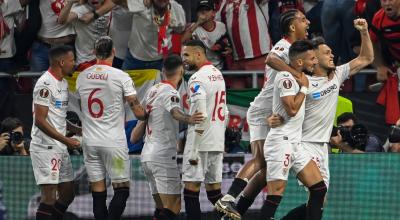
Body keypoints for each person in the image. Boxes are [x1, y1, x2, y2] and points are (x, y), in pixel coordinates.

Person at [215, 9, 310, 219]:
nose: (308, 22)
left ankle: (234, 211)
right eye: (303, 20)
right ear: (292, 27)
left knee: (266, 170)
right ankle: (227, 199)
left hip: (270, 114)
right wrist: (296, 74)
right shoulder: (283, 45)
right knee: (259, 160)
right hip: (260, 112)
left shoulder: (295, 51)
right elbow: (270, 59)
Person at [279, 18, 374, 219]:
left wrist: (364, 31)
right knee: (318, 193)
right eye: (327, 53)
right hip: (303, 144)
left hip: (322, 146)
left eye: (331, 52)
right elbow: (287, 106)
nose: (332, 55)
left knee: (321, 200)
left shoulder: (337, 74)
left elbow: (366, 58)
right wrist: (276, 118)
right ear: (314, 57)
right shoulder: (304, 82)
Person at [76, 36, 147, 220]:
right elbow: (137, 109)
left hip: (90, 143)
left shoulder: (83, 76)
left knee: (97, 193)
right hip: (113, 144)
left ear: (94, 53)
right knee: (122, 190)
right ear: (114, 52)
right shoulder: (120, 76)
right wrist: (146, 114)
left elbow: (81, 104)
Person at [260, 40, 326, 220]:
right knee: (275, 194)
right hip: (281, 142)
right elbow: (292, 109)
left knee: (319, 188)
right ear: (299, 62)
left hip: (294, 144)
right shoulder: (286, 78)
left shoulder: (297, 76)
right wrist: (304, 87)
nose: (315, 62)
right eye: (312, 58)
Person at [139, 54, 204, 220]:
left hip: (147, 155)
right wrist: (190, 118)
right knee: (173, 206)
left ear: (163, 71)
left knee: (161, 208)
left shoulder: (152, 90)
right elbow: (175, 113)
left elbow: (142, 117)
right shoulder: (171, 92)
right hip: (162, 156)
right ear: (181, 71)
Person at [30, 45, 80, 220]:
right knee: (49, 197)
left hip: (60, 146)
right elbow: (40, 120)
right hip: (45, 147)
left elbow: (57, 116)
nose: (74, 64)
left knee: (68, 194)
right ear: (61, 62)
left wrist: (76, 130)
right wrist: (66, 141)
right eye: (72, 60)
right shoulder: (44, 84)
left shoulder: (64, 83)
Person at [181, 39, 227, 220]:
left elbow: (200, 113)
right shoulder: (218, 74)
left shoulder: (196, 78)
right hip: (216, 140)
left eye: (186, 55)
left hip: (199, 143)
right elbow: (226, 110)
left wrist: (193, 149)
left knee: (190, 191)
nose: (183, 59)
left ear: (198, 54)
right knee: (215, 194)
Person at [112, 0, 186, 70]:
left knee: (159, 84)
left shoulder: (176, 9)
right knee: (125, 82)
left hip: (160, 61)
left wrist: (169, 25)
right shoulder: (142, 3)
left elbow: (181, 30)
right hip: (135, 59)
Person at [57, 0, 113, 71]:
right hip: (86, 61)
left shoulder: (108, 7)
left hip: (105, 58)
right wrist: (70, 2)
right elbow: (62, 21)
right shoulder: (81, 9)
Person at [181, 0, 230, 70]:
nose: (203, 12)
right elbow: (183, 41)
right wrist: (197, 23)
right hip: (201, 68)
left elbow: (231, 42)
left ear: (213, 13)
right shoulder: (194, 27)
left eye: (207, 9)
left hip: (220, 67)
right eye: (200, 10)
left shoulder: (221, 26)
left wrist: (229, 49)